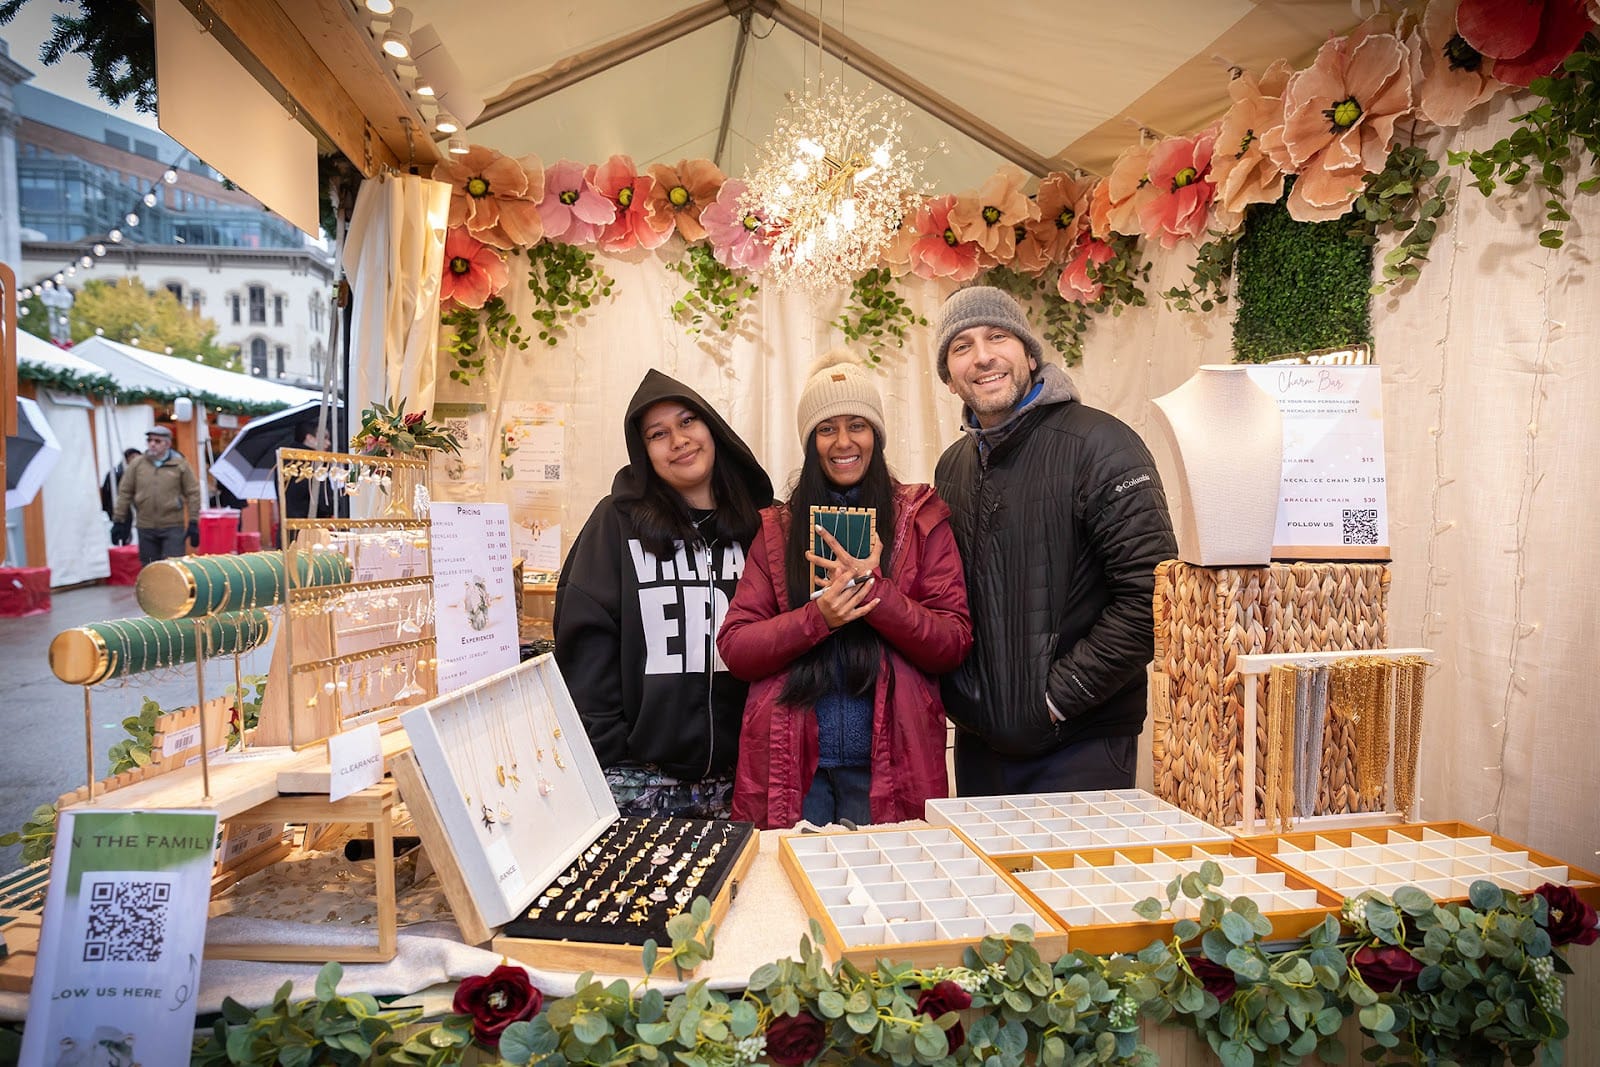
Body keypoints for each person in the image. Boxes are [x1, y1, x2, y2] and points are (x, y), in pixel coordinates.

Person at [931, 286, 1177, 795]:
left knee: (1076, 879)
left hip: (1079, 742)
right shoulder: (951, 467)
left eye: (997, 336)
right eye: (962, 347)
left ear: (1027, 352)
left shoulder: (1102, 445)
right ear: (949, 380)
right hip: (980, 745)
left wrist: (1057, 698)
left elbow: (1152, 598)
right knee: (985, 878)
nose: (982, 356)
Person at [718, 351, 972, 829]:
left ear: (875, 434)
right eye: (826, 428)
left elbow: (951, 642)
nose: (843, 442)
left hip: (888, 767)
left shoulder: (920, 519)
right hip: (794, 769)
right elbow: (737, 647)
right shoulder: (778, 529)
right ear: (810, 441)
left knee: (884, 900)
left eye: (857, 424)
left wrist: (875, 593)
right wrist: (818, 619)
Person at [554, 370, 774, 818]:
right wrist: (613, 748)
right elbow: (585, 642)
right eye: (658, 434)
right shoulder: (615, 524)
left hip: (744, 779)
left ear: (712, 428)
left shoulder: (760, 527)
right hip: (640, 782)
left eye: (688, 421)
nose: (678, 440)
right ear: (644, 452)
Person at [111, 425, 203, 565]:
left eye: (157, 441)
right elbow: (125, 492)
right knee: (149, 567)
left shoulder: (180, 465)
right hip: (145, 525)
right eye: (150, 440)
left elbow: (193, 493)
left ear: (167, 444)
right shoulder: (138, 464)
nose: (152, 444)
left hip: (172, 526)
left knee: (174, 566)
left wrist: (193, 522)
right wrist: (119, 520)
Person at [282, 421, 338, 520]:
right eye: (324, 437)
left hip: (289, 525)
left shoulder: (285, 461)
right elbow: (325, 504)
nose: (328, 443)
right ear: (309, 438)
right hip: (310, 528)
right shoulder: (313, 464)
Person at [101, 448, 143, 539]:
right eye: (133, 457)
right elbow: (107, 494)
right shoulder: (115, 474)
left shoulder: (142, 474)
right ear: (126, 459)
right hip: (122, 512)